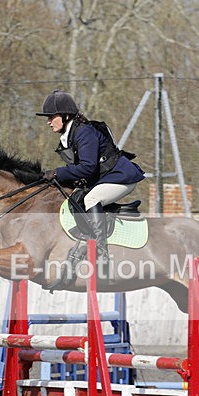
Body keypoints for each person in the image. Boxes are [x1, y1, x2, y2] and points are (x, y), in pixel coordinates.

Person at [36, 90, 145, 278]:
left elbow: (87, 168)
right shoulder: (71, 135)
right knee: (75, 199)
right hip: (106, 178)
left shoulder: (84, 133)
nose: (48, 121)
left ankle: (101, 254)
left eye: (51, 117)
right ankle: (88, 240)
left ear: (65, 115)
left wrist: (57, 172)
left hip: (122, 177)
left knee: (92, 198)